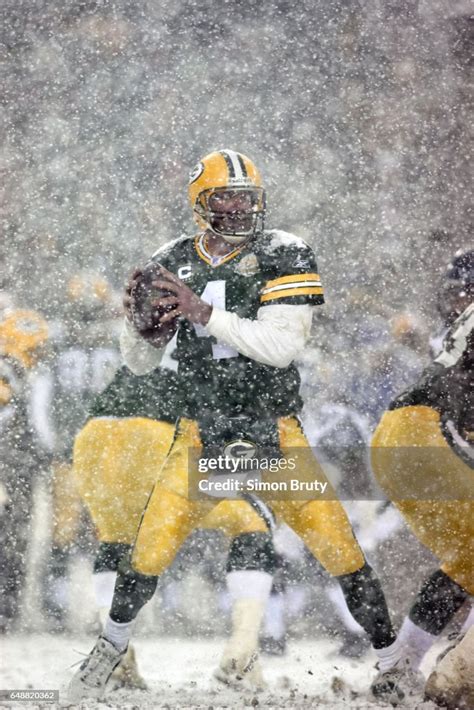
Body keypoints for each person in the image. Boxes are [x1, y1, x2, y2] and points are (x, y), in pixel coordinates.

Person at [68, 149, 399, 702]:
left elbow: (280, 345)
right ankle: (108, 652)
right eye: (227, 196)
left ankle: (391, 662)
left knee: (341, 551)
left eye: (248, 197)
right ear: (201, 204)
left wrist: (203, 313)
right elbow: (140, 363)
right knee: (145, 555)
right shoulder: (172, 258)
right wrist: (139, 330)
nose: (241, 207)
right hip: (199, 434)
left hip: (275, 433)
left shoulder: (284, 251)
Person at [370, 289, 473, 706]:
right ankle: (459, 671)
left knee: (467, 562)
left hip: (394, 437)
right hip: (426, 432)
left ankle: (399, 668)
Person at [0, 307, 50, 631]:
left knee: (16, 540)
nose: (42, 352)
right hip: (10, 467)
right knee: (12, 539)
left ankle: (8, 609)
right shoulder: (9, 370)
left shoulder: (17, 369)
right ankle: (7, 609)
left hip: (17, 466)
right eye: (37, 346)